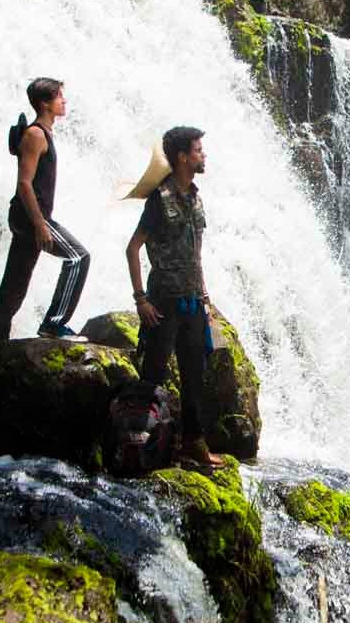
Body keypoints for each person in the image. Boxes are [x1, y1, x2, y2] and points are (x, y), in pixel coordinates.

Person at [125, 126, 223, 468]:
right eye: (198, 150)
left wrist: (206, 296)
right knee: (153, 373)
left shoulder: (195, 197)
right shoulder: (160, 199)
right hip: (163, 302)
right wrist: (141, 300)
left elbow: (196, 253)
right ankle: (139, 443)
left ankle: (193, 444)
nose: (203, 155)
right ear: (183, 157)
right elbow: (133, 248)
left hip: (193, 301)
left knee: (195, 375)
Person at [0, 77, 90, 344]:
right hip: (31, 217)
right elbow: (24, 183)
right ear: (45, 103)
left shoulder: (43, 133)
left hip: (30, 218)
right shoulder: (35, 134)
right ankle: (54, 324)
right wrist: (40, 224)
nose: (64, 101)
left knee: (15, 286)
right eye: (59, 97)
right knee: (78, 257)